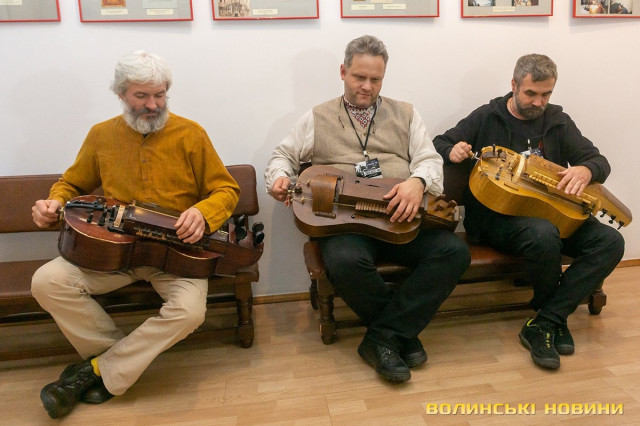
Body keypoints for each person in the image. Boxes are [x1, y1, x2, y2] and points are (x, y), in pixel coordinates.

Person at [31, 50, 240, 418]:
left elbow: (226, 189)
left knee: (189, 312)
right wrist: (53, 202)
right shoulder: (101, 135)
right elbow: (72, 184)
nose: (153, 104)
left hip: (176, 255)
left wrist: (203, 213)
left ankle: (96, 371)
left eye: (159, 95)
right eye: (141, 96)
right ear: (121, 94)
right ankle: (111, 363)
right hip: (114, 253)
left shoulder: (191, 134)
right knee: (46, 282)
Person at [264, 35, 471, 383]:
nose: (367, 86)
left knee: (454, 253)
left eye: (376, 79)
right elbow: (282, 156)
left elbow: (429, 159)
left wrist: (418, 182)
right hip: (345, 224)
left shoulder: (406, 114)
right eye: (359, 77)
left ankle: (382, 338)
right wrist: (279, 177)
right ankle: (400, 334)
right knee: (345, 261)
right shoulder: (317, 117)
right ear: (343, 72)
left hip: (400, 221)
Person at [433, 53, 625, 370]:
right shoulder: (488, 117)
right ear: (514, 85)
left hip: (553, 213)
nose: (539, 102)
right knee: (544, 234)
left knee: (610, 241)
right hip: (497, 218)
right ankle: (552, 318)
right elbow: (440, 141)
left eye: (546, 94)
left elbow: (599, 161)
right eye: (531, 93)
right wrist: (452, 149)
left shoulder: (558, 121)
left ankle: (547, 320)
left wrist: (587, 170)